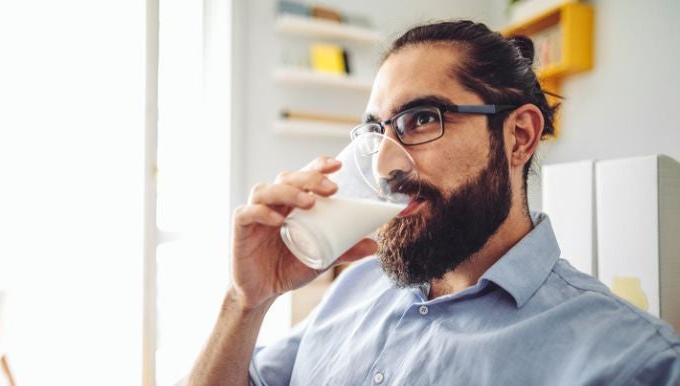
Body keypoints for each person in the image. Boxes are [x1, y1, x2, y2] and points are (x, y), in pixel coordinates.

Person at [188, 20, 680, 385]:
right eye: (377, 131)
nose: (384, 164)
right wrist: (246, 303)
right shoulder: (356, 287)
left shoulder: (632, 361)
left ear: (519, 136)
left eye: (421, 119)